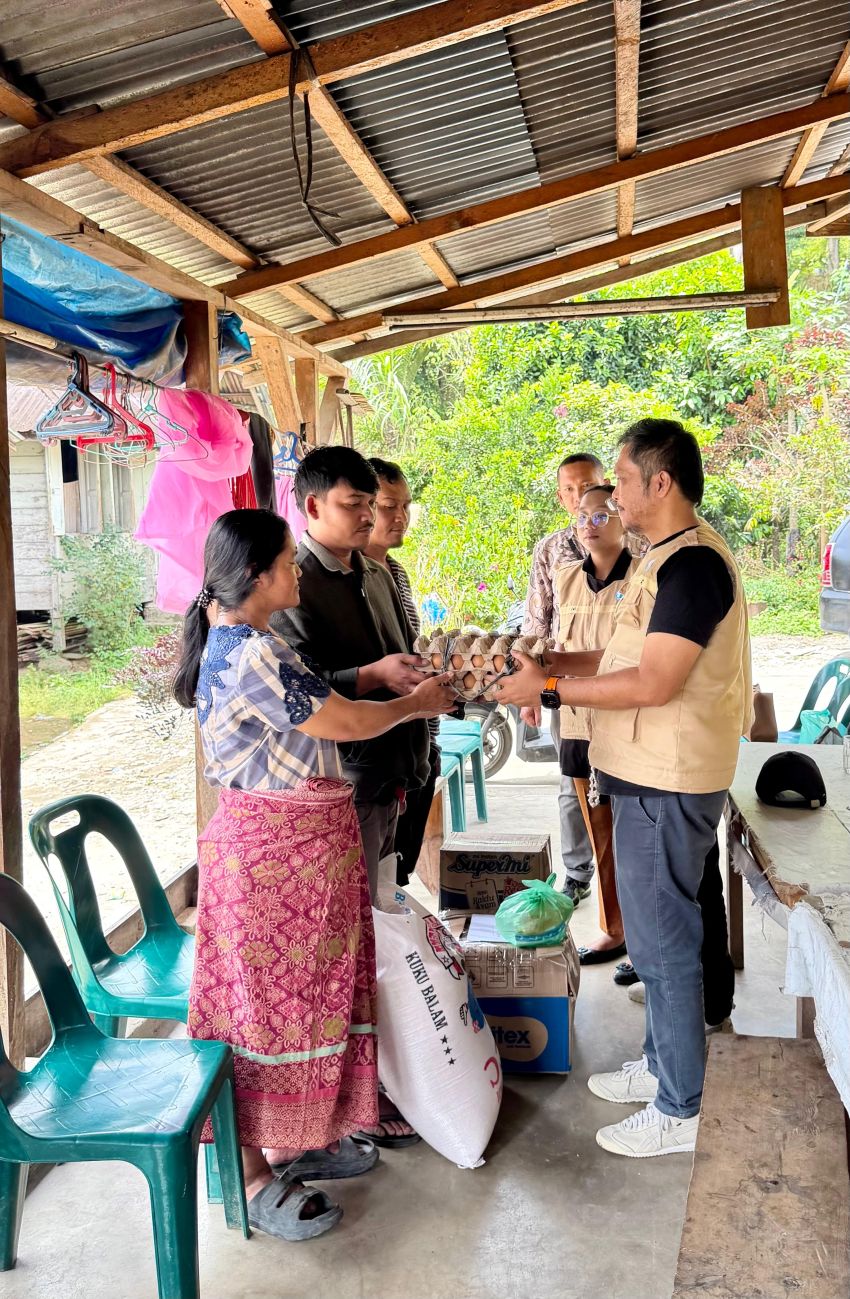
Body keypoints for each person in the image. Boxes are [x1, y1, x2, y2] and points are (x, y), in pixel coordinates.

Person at [173, 509, 455, 1242]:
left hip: (297, 857)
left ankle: (297, 1136)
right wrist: (416, 705)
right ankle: (248, 1173)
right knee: (262, 1013)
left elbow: (325, 700)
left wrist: (376, 677)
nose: (296, 572)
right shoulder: (247, 655)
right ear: (258, 575)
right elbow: (344, 724)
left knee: (309, 1005)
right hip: (271, 863)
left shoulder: (253, 640)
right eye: (289, 563)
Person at [494, 419, 751, 1159]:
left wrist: (544, 685)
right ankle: (663, 1065)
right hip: (643, 773)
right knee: (651, 927)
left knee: (665, 942)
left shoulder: (693, 567)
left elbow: (654, 679)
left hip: (668, 780)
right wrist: (540, 663)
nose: (610, 492)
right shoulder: (661, 558)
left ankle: (683, 1105)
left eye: (623, 477)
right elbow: (616, 653)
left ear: (658, 482)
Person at [272, 447, 431, 904]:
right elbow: (300, 693)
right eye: (352, 504)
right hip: (344, 780)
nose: (366, 516)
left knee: (381, 906)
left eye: (369, 503)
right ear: (313, 506)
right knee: (351, 915)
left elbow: (402, 652)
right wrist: (374, 675)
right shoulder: (293, 584)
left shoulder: (376, 573)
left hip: (395, 767)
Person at [521, 453, 608, 905]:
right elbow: (537, 623)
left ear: (607, 486)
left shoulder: (633, 542)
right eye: (570, 490)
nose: (579, 498)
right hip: (562, 688)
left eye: (588, 486)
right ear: (560, 496)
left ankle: (620, 877)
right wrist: (527, 691)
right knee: (571, 781)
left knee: (622, 781)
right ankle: (578, 873)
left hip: (619, 681)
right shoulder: (550, 550)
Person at [554, 484, 636, 961]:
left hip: (628, 723)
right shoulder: (565, 578)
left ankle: (646, 944)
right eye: (582, 516)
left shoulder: (644, 577)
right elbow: (547, 640)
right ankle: (614, 929)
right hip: (577, 723)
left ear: (623, 519)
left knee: (638, 836)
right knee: (599, 834)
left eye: (601, 515)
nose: (588, 523)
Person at [363, 456, 440, 886]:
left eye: (406, 506)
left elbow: (411, 652)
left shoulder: (395, 572)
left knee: (396, 880)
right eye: (388, 506)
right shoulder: (340, 580)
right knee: (376, 890)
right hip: (377, 763)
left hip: (418, 747)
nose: (401, 517)